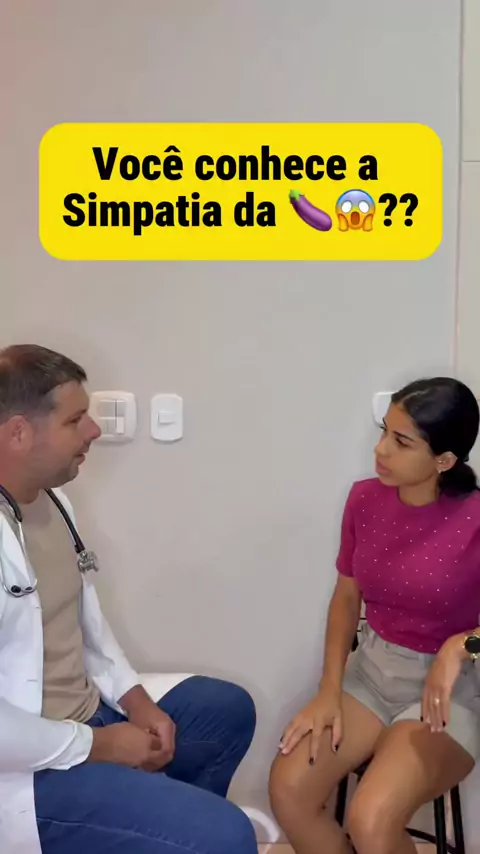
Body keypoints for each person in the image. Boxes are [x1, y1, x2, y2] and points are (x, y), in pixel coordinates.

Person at [0, 344, 257, 854]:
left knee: (225, 711)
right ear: (19, 433)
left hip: (84, 715)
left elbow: (86, 627)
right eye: (75, 420)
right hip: (27, 765)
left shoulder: (53, 502)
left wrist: (137, 702)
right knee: (226, 835)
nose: (94, 430)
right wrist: (98, 746)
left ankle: (153, 830)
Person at [269, 376, 480, 854]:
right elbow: (346, 599)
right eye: (384, 431)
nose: (381, 449)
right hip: (369, 674)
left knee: (370, 820)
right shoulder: (364, 499)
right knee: (289, 790)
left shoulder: (475, 519)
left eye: (401, 442)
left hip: (448, 692)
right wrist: (328, 690)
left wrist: (460, 646)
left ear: (444, 460)